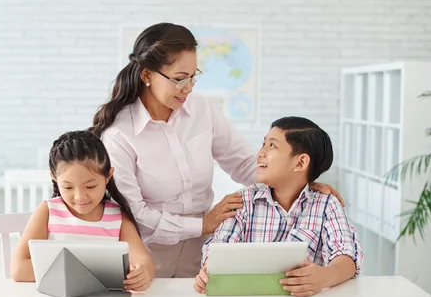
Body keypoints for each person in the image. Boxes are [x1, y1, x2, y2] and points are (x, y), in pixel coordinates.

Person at [89, 22, 344, 277]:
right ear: (146, 75)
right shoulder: (119, 135)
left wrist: (299, 183)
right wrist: (202, 224)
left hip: (201, 251)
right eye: (179, 79)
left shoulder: (201, 109)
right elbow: (136, 213)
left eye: (193, 76)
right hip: (147, 256)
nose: (188, 88)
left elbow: (243, 163)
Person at [194, 117, 363, 297]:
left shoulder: (326, 204)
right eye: (263, 144)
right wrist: (208, 270)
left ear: (300, 163)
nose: (260, 153)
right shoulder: (243, 201)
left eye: (272, 146)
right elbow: (219, 249)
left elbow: (347, 256)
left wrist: (324, 276)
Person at [11, 130, 155, 292]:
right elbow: (18, 268)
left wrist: (142, 274)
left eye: (90, 186)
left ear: (108, 176)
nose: (80, 197)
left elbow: (144, 262)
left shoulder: (117, 217)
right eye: (68, 187)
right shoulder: (48, 212)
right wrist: (87, 273)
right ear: (54, 178)